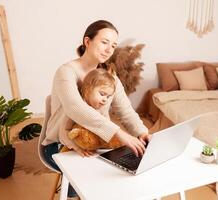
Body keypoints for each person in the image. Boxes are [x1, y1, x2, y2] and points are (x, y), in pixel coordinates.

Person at [41, 20, 150, 199]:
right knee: (94, 182)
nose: (109, 49)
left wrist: (142, 132)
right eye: (104, 42)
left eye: (113, 45)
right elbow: (76, 109)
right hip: (62, 143)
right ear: (87, 41)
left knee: (129, 171)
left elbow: (126, 111)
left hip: (97, 143)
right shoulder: (66, 72)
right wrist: (119, 133)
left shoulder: (110, 78)